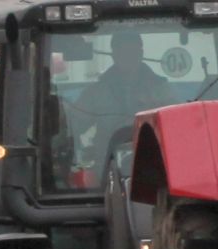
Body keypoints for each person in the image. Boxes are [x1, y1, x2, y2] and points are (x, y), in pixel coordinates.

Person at [72, 31, 175, 169]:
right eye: (123, 52)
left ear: (141, 54)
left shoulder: (161, 89)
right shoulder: (96, 92)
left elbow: (175, 127)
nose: (128, 57)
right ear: (114, 55)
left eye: (132, 52)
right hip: (106, 167)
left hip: (155, 165)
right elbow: (73, 125)